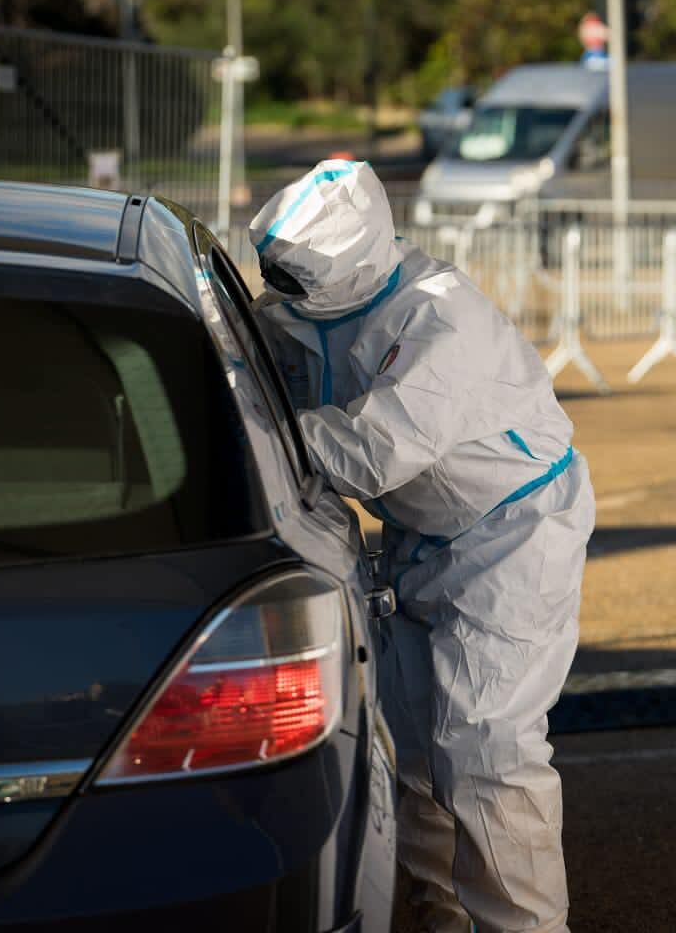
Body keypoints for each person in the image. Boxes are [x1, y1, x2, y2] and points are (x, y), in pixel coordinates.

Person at [249, 159, 593, 933]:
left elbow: (370, 453)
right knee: (413, 744)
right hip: (418, 533)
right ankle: (440, 914)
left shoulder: (441, 319)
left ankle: (523, 928)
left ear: (350, 260)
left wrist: (249, 441)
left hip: (514, 535)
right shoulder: (303, 307)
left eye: (292, 274)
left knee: (486, 747)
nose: (279, 287)